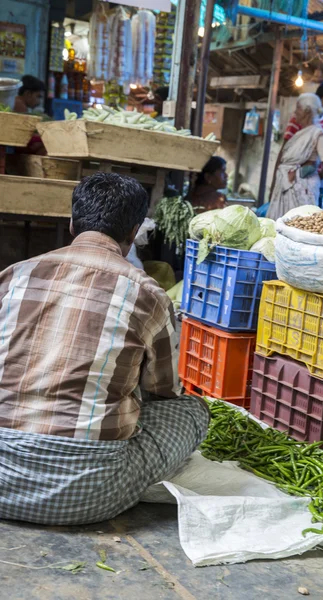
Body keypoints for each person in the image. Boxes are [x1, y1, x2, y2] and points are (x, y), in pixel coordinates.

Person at [0, 172, 209, 526]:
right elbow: (164, 392)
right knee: (193, 410)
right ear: (134, 233)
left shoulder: (14, 275)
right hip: (88, 495)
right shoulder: (148, 294)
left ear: (71, 223)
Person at [272, 82, 323, 206]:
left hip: (313, 182)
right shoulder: (297, 121)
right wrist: (275, 181)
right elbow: (284, 152)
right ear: (317, 100)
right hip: (291, 180)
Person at [267, 93, 323, 220]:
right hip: (286, 184)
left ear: (307, 111)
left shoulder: (318, 133)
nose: (295, 112)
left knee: (298, 224)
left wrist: (302, 176)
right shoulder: (299, 133)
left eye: (298, 108)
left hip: (302, 188)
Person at [14, 74, 46, 155]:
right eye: (38, 96)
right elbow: (23, 135)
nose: (39, 102)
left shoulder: (18, 102)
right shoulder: (20, 105)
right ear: (28, 94)